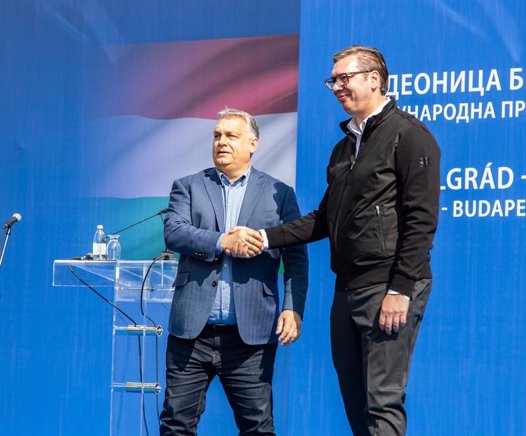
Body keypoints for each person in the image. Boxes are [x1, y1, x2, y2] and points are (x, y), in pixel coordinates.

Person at [260, 45, 440, 436]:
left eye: (345, 78)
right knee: (355, 401)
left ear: (374, 79)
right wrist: (263, 237)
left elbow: (421, 220)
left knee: (382, 400)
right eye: (333, 81)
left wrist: (401, 290)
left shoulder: (409, 135)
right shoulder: (344, 147)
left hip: (389, 285)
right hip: (348, 288)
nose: (337, 87)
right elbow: (324, 220)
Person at [159, 108, 308, 436]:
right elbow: (175, 232)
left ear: (253, 144)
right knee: (175, 426)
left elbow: (296, 257)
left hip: (250, 335)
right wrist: (224, 240)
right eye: (217, 136)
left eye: (231, 136)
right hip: (192, 333)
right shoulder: (188, 186)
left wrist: (292, 308)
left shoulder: (278, 194)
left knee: (257, 428)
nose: (221, 142)